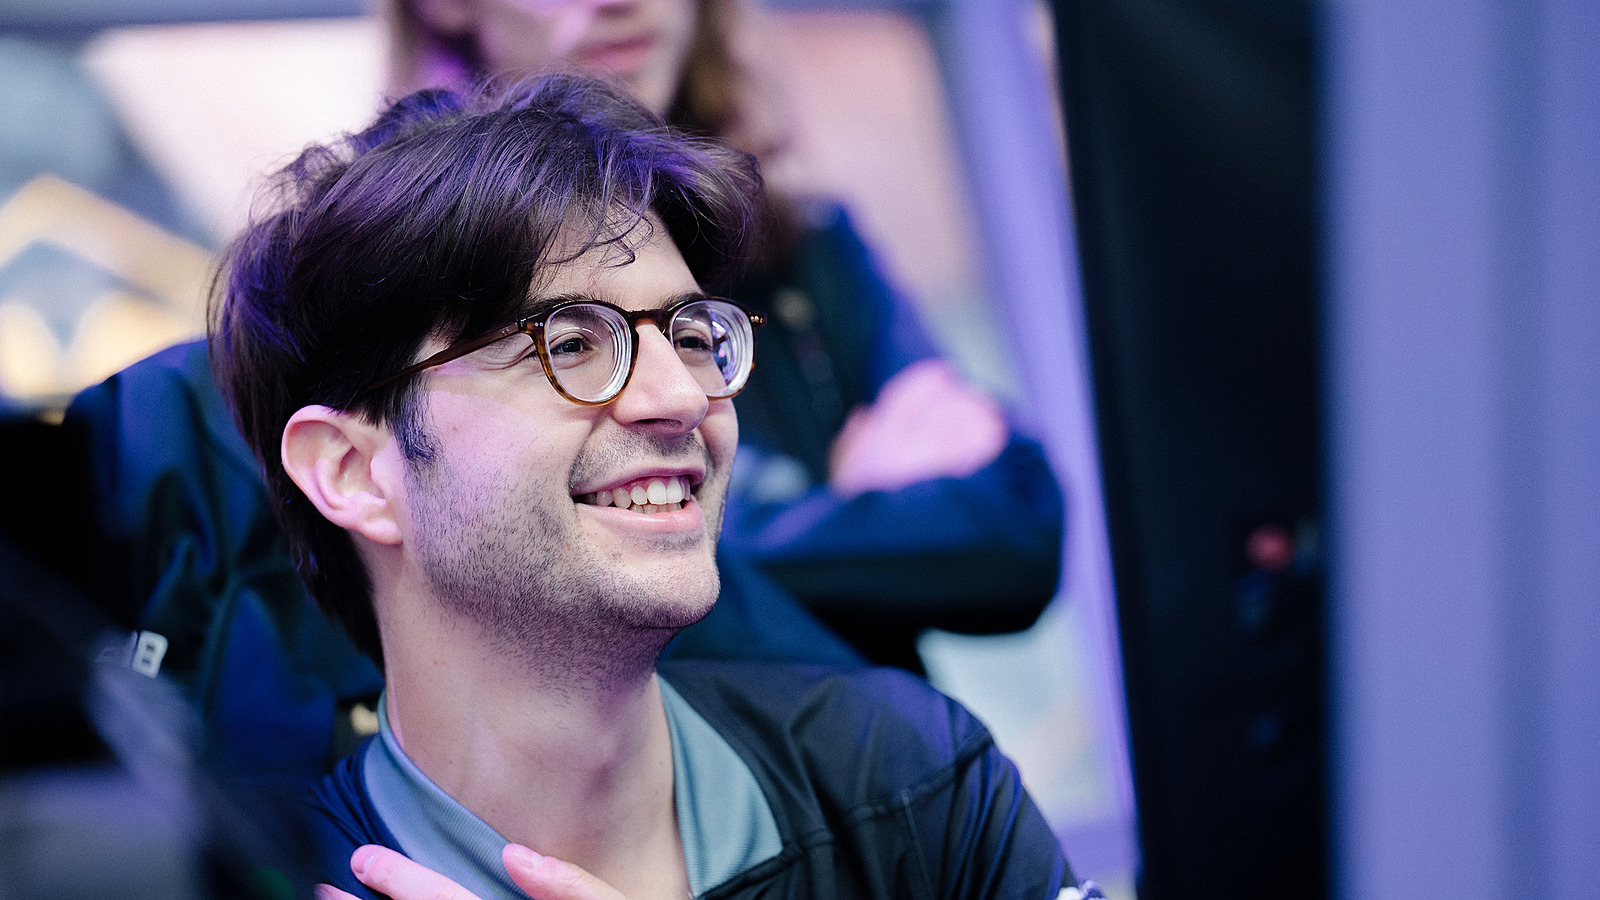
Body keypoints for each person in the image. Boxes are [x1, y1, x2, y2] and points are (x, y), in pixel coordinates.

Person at [209, 74, 1093, 899]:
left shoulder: (910, 782)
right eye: (567, 344)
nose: (683, 397)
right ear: (354, 472)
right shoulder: (260, 882)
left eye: (693, 336)